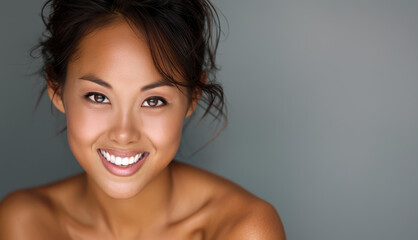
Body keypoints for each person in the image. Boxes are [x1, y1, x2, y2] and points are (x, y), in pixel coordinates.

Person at [0, 0, 286, 239]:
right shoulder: (26, 224)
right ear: (57, 89)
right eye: (98, 97)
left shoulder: (242, 229)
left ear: (192, 98)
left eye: (154, 101)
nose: (123, 133)